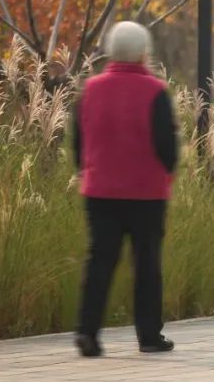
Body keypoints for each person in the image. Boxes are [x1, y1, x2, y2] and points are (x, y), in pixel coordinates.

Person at [73, 21, 179, 357]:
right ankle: (148, 336)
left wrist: (86, 171)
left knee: (99, 262)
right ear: (144, 52)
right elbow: (167, 144)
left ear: (110, 51)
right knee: (146, 263)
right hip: (146, 193)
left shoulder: (90, 89)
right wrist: (168, 173)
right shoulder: (155, 91)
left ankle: (88, 334)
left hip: (100, 191)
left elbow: (78, 140)